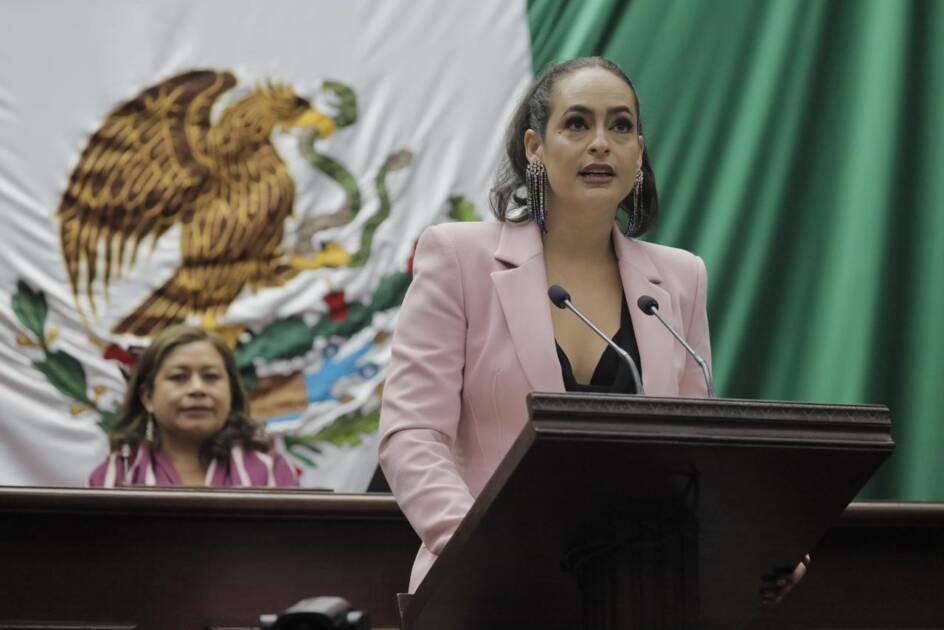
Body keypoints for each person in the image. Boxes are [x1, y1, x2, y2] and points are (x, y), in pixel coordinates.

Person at [379, 56, 804, 598]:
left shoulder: (680, 279)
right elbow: (412, 435)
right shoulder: (458, 257)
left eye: (621, 126)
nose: (601, 143)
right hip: (488, 589)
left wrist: (751, 544)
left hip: (639, 592)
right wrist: (478, 547)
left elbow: (692, 461)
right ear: (535, 147)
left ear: (639, 153)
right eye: (577, 124)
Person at [89, 325, 297, 488]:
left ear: (231, 393)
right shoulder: (118, 476)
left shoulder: (270, 471)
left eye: (210, 377)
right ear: (148, 397)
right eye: (179, 377)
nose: (197, 389)